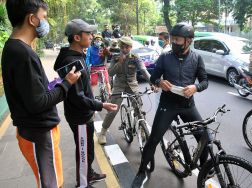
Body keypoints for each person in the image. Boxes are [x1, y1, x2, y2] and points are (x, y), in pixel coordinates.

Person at [2, 1, 81, 188]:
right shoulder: (23, 54)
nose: (46, 22)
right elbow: (37, 103)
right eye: (43, 17)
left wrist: (50, 86)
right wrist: (66, 84)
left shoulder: (14, 48)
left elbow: (30, 93)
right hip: (39, 134)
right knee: (51, 184)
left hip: (32, 131)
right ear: (31, 19)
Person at [131, 23, 208, 188]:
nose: (174, 42)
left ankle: (205, 169)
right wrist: (160, 82)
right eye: (172, 39)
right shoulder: (165, 57)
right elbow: (153, 77)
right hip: (167, 105)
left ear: (188, 41)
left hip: (188, 105)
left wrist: (195, 87)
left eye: (177, 40)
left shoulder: (196, 58)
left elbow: (204, 81)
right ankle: (141, 172)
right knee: (153, 140)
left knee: (204, 138)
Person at [54, 19, 118, 188]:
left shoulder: (79, 56)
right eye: (88, 33)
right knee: (83, 151)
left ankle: (88, 173)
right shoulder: (72, 62)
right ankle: (82, 183)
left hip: (83, 112)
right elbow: (77, 97)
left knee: (88, 148)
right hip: (79, 115)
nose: (92, 36)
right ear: (76, 37)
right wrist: (101, 105)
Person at [98, 36, 152, 144]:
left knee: (138, 107)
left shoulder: (135, 57)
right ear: (120, 46)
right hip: (119, 86)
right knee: (113, 110)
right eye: (123, 47)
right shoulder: (116, 57)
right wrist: (120, 63)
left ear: (131, 47)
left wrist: (153, 82)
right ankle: (103, 133)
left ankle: (142, 128)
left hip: (132, 86)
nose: (125, 49)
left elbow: (143, 70)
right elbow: (111, 73)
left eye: (127, 47)